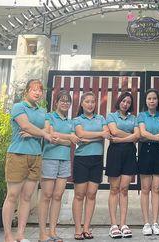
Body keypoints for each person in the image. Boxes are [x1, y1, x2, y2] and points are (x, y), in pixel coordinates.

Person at [3, 79, 52, 242]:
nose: (37, 93)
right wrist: (42, 133)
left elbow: (47, 128)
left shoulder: (42, 110)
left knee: (27, 197)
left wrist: (34, 133)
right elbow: (25, 125)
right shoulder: (19, 107)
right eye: (34, 90)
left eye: (40, 90)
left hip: (36, 155)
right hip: (18, 154)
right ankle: (8, 235)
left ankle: (20, 235)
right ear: (26, 91)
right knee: (12, 195)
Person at [38, 89, 80, 242]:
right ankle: (42, 233)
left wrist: (62, 139)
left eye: (67, 101)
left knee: (57, 196)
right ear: (56, 102)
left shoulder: (71, 122)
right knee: (46, 195)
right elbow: (50, 135)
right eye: (62, 100)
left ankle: (52, 231)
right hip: (49, 158)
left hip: (65, 160)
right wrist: (67, 138)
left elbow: (70, 142)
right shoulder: (49, 116)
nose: (65, 103)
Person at [72, 92, 110, 240]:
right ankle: (77, 229)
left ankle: (86, 228)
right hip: (81, 159)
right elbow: (81, 134)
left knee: (92, 194)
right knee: (79, 195)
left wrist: (89, 137)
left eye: (93, 102)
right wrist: (99, 135)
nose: (90, 104)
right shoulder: (77, 120)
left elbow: (107, 133)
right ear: (82, 104)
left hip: (97, 160)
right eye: (87, 101)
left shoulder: (101, 118)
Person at [106, 92, 140, 238]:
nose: (125, 104)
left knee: (124, 189)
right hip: (115, 153)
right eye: (123, 101)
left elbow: (138, 136)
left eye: (128, 102)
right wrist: (131, 137)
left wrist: (121, 138)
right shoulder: (111, 116)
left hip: (129, 154)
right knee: (114, 189)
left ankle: (123, 224)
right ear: (119, 101)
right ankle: (114, 225)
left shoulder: (134, 118)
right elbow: (114, 131)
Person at [137, 88, 159, 236]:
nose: (152, 101)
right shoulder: (141, 115)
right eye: (149, 98)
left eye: (154, 98)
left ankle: (155, 222)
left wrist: (151, 137)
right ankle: (146, 223)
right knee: (145, 189)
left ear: (158, 101)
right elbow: (142, 133)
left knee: (156, 189)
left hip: (158, 153)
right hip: (145, 152)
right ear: (146, 101)